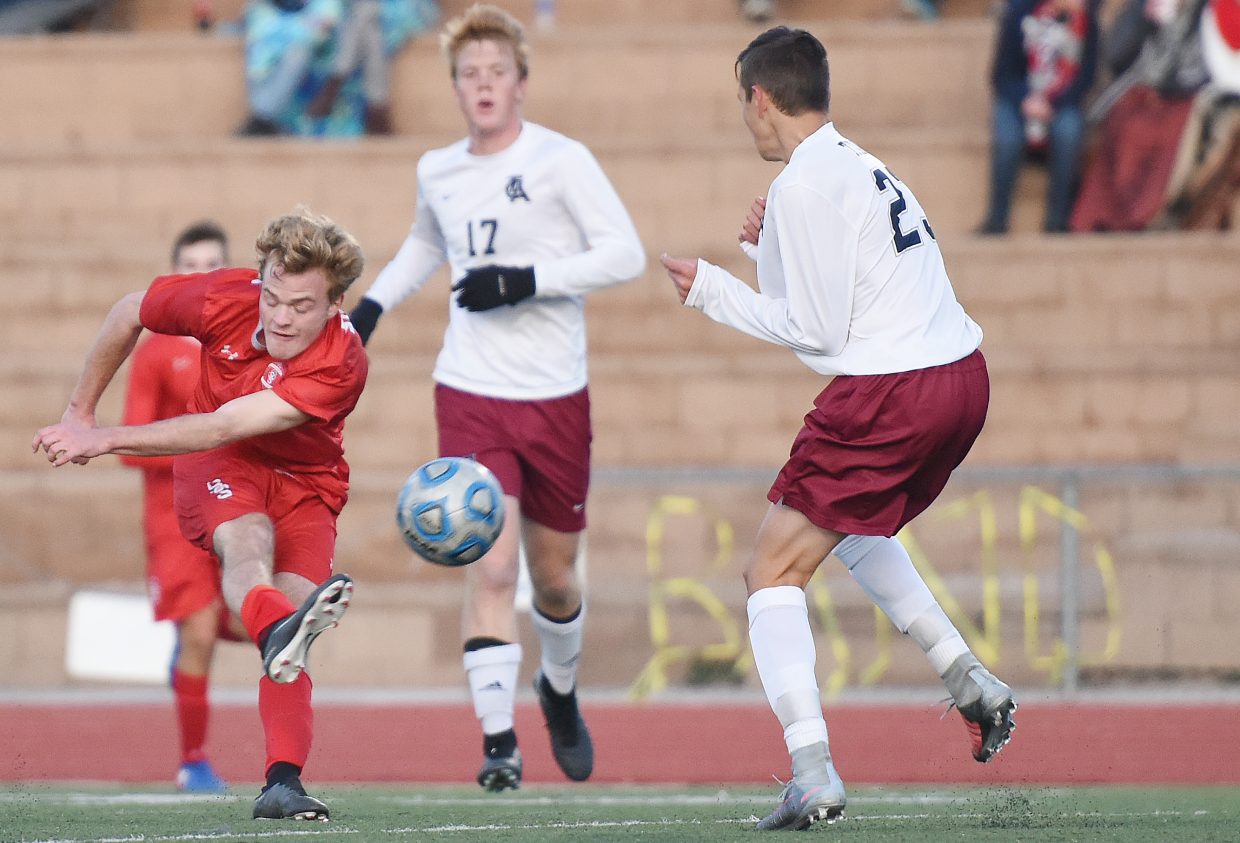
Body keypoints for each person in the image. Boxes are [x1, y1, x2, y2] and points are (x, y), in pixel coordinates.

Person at [660, 27, 1017, 831]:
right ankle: (968, 680)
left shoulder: (805, 184)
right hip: (961, 377)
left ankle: (811, 770)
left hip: (896, 388)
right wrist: (766, 253)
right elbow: (831, 300)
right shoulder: (855, 163)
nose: (744, 121)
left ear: (760, 98)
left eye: (740, 104)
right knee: (851, 529)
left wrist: (712, 288)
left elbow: (819, 338)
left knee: (770, 574)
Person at [347, 3, 644, 793]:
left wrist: (525, 280)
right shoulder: (439, 169)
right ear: (455, 88)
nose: (484, 86)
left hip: (556, 394)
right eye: (470, 75)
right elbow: (427, 241)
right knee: (491, 565)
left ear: (521, 82)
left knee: (553, 579)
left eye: (497, 73)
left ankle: (560, 690)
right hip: (471, 388)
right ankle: (498, 741)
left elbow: (625, 253)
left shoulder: (562, 160)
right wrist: (371, 307)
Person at [34, 208, 367, 822]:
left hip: (306, 483)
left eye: (301, 304)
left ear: (334, 304)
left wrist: (106, 439)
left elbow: (230, 417)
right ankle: (275, 634)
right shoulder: (224, 295)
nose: (281, 316)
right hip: (219, 462)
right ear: (259, 281)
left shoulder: (343, 361)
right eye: (273, 297)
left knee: (294, 619)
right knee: (248, 544)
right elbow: (129, 310)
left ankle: (282, 783)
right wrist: (82, 414)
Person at [119, 221, 249, 794]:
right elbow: (129, 442)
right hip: (173, 515)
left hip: (238, 508)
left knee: (254, 621)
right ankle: (193, 760)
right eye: (190, 264)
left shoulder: (247, 344)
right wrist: (197, 445)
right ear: (175, 274)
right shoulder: (155, 353)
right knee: (198, 630)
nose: (201, 274)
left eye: (211, 265)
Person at [977, 0, 1101, 235]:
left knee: (1069, 132)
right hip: (1018, 99)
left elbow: (1086, 77)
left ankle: (1058, 220)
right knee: (1007, 139)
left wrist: (1052, 103)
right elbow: (1001, 74)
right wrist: (1026, 99)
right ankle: (996, 219)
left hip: (1061, 103)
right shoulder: (1019, 13)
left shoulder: (1087, 23)